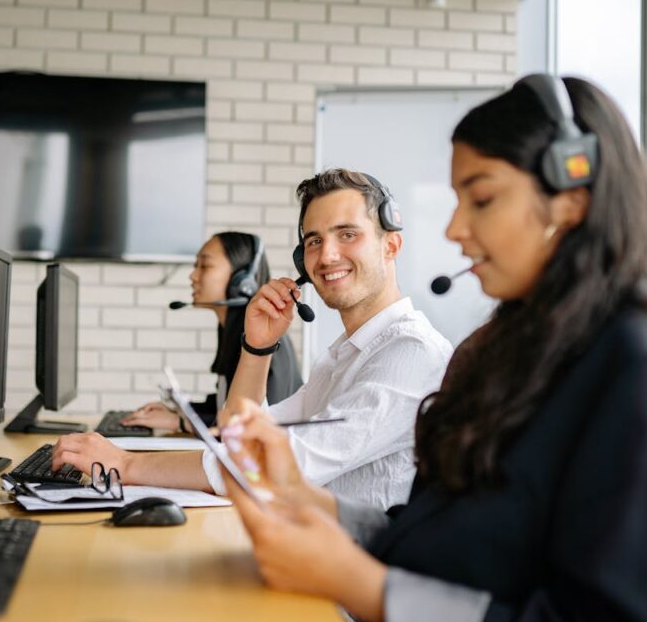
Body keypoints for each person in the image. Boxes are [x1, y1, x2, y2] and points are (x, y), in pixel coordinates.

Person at [219, 75, 647, 622]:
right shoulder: (516, 355)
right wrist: (310, 501)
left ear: (572, 193)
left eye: (482, 198)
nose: (454, 229)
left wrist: (361, 587)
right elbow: (449, 538)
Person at [53, 170, 453, 508]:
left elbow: (265, 465)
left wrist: (126, 465)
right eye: (314, 240)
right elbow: (237, 436)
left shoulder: (409, 354)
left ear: (391, 245)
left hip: (343, 593)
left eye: (347, 234)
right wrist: (257, 346)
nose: (327, 255)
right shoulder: (345, 356)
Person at [119, 232, 301, 431]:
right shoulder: (233, 327)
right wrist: (181, 410)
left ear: (241, 281)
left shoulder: (262, 339)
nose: (193, 276)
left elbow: (257, 422)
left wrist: (179, 422)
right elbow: (227, 401)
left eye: (204, 266)